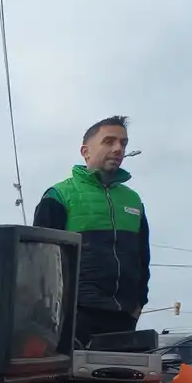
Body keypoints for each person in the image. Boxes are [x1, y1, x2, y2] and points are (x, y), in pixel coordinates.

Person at [33, 115, 151, 349]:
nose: (118, 149)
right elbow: (41, 262)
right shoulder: (59, 196)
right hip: (74, 319)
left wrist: (138, 303)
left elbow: (143, 258)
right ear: (85, 151)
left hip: (124, 319)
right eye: (109, 141)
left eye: (123, 143)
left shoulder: (133, 200)